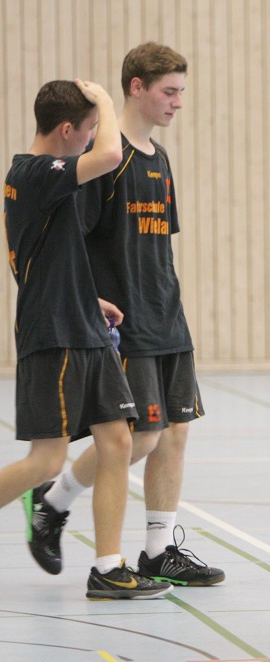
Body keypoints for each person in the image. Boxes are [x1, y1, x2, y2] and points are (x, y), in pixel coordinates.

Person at [24, 43, 224, 587]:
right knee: (139, 438)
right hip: (122, 318)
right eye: (169, 91)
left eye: (182, 91)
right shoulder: (105, 158)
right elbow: (73, 243)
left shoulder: (159, 160)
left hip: (167, 314)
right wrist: (92, 305)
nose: (178, 102)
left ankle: (159, 549)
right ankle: (54, 500)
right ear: (135, 87)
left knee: (177, 432)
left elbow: (159, 243)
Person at [4, 79, 171, 599]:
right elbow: (109, 156)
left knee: (119, 440)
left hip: (82, 324)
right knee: (46, 461)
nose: (95, 136)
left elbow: (46, 254)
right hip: (53, 334)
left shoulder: (43, 179)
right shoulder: (34, 172)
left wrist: (87, 298)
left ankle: (108, 565)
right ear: (67, 130)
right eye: (91, 128)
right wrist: (102, 95)